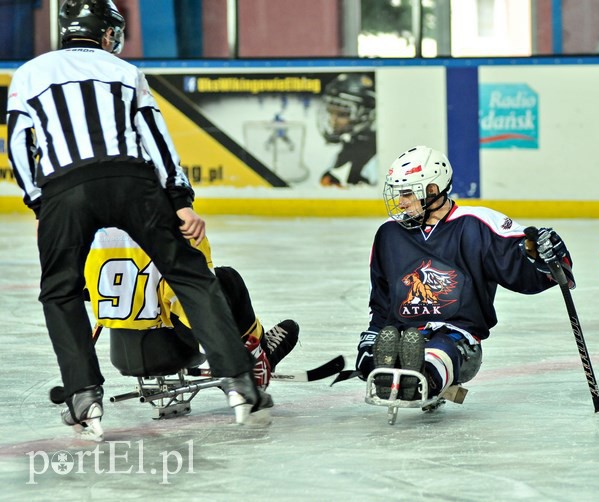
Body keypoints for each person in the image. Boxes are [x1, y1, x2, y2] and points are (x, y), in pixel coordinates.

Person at [6, 0, 268, 440]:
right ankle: (239, 382)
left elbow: (18, 144)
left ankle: (83, 395)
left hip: (65, 190)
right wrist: (181, 201)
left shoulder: (29, 72)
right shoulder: (125, 73)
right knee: (189, 274)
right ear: (106, 33)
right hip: (133, 181)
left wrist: (39, 203)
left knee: (60, 291)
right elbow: (158, 142)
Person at [355, 145, 575, 402]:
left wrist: (543, 255)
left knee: (437, 356)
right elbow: (382, 298)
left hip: (458, 336)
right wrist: (372, 337)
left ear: (432, 190)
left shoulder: (477, 224)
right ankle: (391, 369)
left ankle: (421, 375)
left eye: (407, 193)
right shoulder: (388, 233)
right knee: (375, 356)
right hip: (402, 331)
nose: (400, 202)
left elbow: (521, 265)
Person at [83, 227, 299, 392]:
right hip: (172, 348)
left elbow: (81, 291)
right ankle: (257, 354)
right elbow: (195, 303)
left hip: (122, 351)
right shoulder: (178, 230)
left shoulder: (90, 231)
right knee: (227, 279)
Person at [317, 73, 377, 187]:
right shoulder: (347, 149)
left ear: (365, 115)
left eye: (342, 114)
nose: (332, 121)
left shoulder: (373, 159)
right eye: (331, 112)